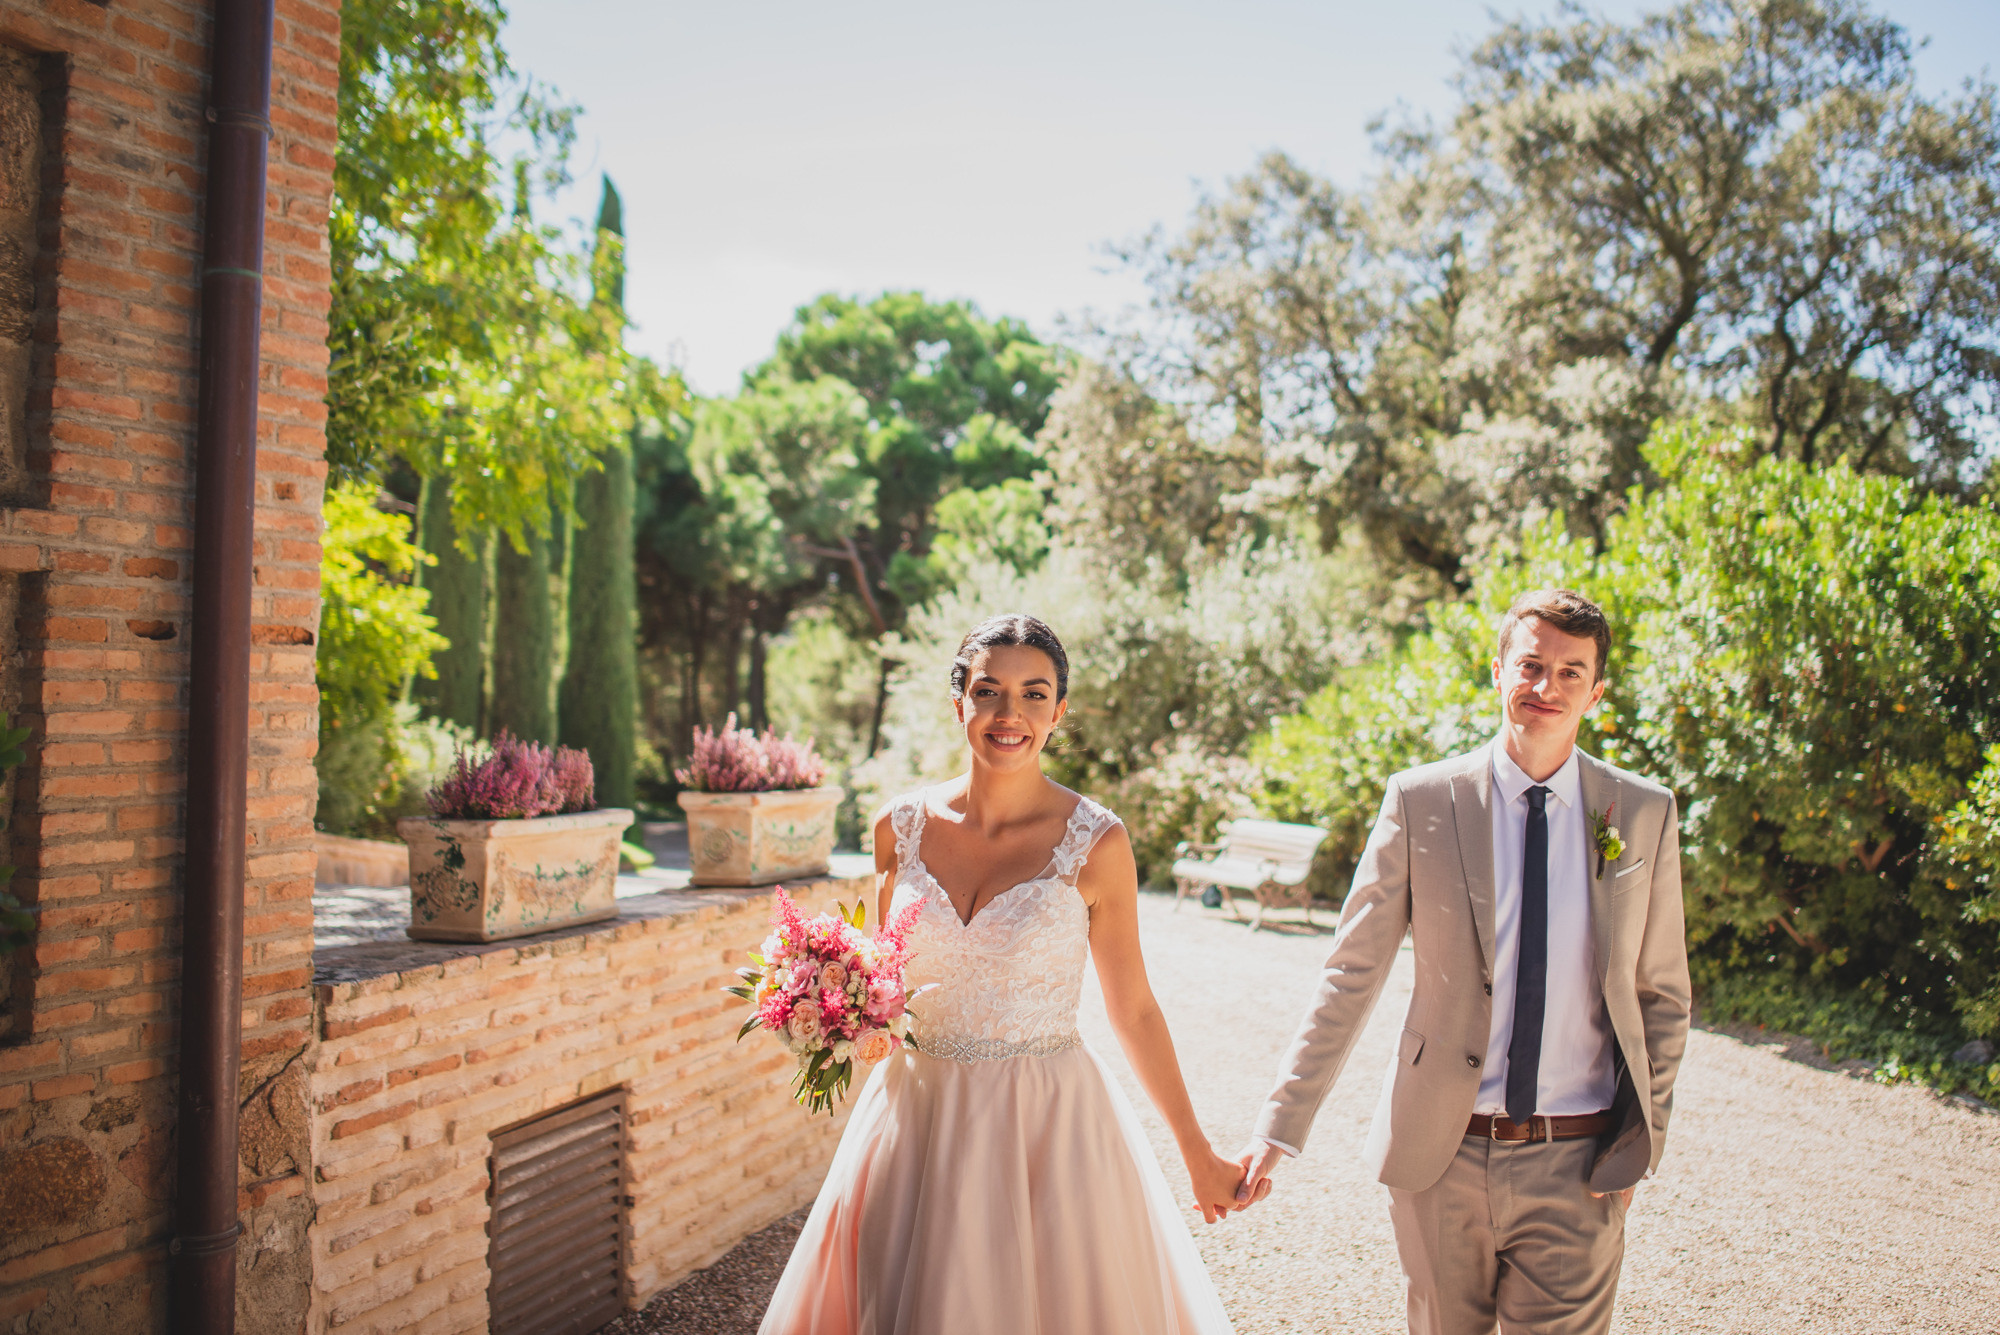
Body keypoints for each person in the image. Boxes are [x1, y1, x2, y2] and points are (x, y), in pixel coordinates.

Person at [759, 613, 1241, 1335]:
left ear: (1058, 712)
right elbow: (886, 974)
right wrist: (834, 1006)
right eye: (988, 692)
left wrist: (1196, 1152)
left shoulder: (1098, 842)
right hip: (915, 1120)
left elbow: (1134, 1008)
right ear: (959, 703)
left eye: (1033, 694)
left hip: (1045, 1125)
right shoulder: (898, 828)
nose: (1009, 714)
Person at [1234, 588, 1692, 1335]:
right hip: (1439, 1156)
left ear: (1597, 692)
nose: (1546, 687)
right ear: (1498, 670)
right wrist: (1279, 1125)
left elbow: (1663, 995)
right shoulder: (1421, 800)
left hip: (1578, 1161)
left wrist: (1641, 1143)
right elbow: (1351, 972)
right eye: (1531, 665)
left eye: (1570, 672)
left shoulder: (1642, 811)